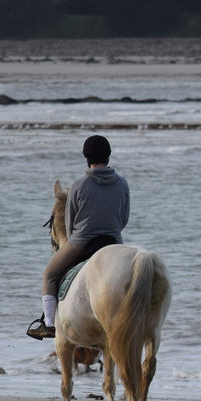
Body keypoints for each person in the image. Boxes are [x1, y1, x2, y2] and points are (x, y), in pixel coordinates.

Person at [26, 134, 131, 340]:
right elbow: (123, 219)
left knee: (49, 275)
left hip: (82, 243)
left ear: (86, 157)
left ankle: (48, 325)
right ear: (108, 156)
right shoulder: (122, 184)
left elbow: (70, 224)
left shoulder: (78, 186)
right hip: (114, 243)